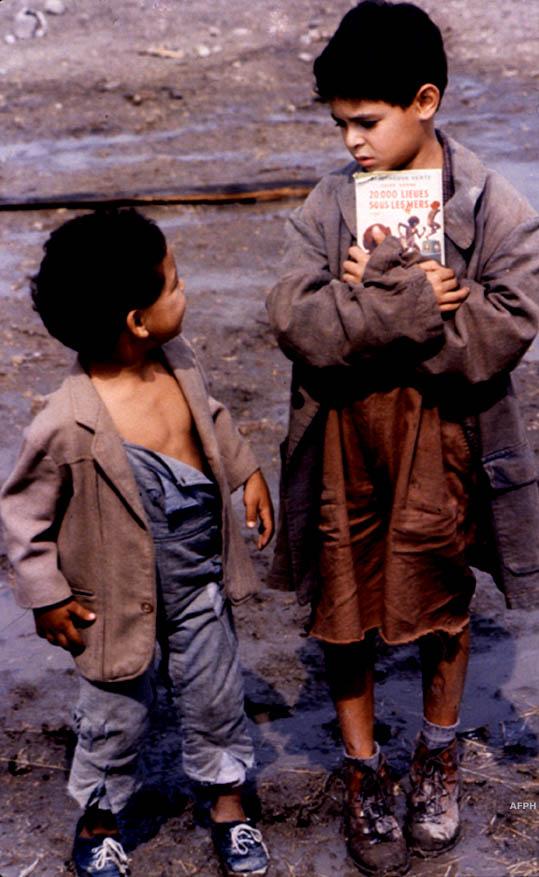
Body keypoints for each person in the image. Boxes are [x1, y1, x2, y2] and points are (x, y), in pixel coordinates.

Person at [266, 2, 539, 875]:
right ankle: (361, 767)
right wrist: (408, 300)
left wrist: (372, 304)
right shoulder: (328, 204)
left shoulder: (491, 203)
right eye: (339, 125)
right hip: (345, 440)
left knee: (442, 598)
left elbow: (502, 330)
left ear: (425, 101)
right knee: (342, 605)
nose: (351, 142)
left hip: (444, 443)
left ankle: (436, 753)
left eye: (366, 121)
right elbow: (295, 320)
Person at [0, 209, 274, 877]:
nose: (186, 292)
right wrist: (46, 596)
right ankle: (98, 823)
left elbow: (212, 421)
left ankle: (228, 806)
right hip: (113, 597)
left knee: (216, 696)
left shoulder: (178, 362)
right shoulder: (68, 422)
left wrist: (246, 472)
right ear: (136, 320)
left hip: (197, 577)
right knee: (113, 714)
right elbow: (22, 515)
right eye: (174, 283)